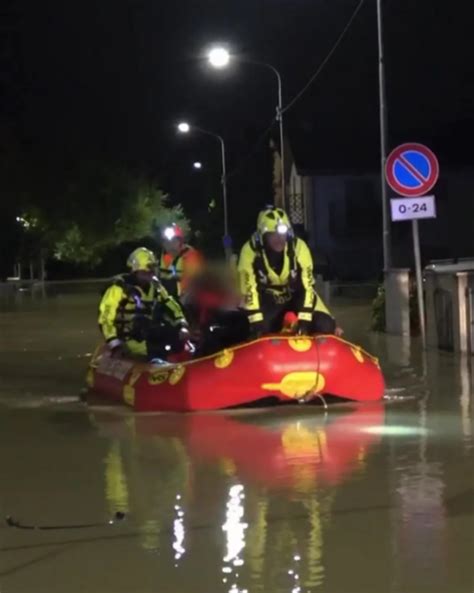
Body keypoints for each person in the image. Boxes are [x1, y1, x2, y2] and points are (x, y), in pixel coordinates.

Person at [238, 206, 339, 338]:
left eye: (282, 234)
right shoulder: (249, 252)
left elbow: (307, 287)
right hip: (268, 299)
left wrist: (304, 321)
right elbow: (249, 290)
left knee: (325, 325)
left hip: (297, 295)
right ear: (262, 236)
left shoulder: (299, 248)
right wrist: (256, 323)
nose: (279, 239)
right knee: (259, 330)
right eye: (272, 235)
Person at [98, 247, 190, 360]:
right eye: (146, 271)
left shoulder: (155, 286)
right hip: (129, 338)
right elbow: (105, 319)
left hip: (149, 331)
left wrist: (181, 325)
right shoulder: (118, 289)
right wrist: (115, 344)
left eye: (152, 270)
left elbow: (170, 303)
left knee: (174, 337)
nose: (150, 274)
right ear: (135, 271)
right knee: (153, 344)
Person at [159, 224, 203, 300]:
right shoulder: (163, 257)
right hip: (168, 298)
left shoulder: (190, 256)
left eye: (173, 241)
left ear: (180, 242)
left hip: (189, 299)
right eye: (166, 241)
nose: (169, 244)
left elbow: (196, 281)